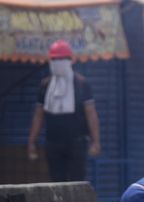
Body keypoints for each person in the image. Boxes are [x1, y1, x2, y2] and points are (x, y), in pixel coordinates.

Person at [27, 40, 101, 182]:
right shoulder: (45, 85)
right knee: (56, 182)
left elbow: (91, 113)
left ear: (70, 60)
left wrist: (96, 141)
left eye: (62, 59)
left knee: (77, 181)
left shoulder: (81, 83)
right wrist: (32, 141)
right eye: (55, 59)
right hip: (53, 142)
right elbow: (38, 115)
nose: (58, 62)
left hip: (77, 142)